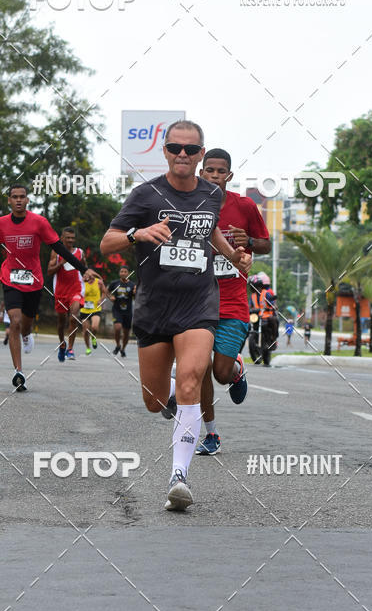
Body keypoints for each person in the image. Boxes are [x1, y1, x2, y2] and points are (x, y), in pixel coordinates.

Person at [100, 120, 251, 511]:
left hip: (199, 305)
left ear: (201, 155)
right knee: (154, 400)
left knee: (190, 381)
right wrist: (139, 234)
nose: (182, 154)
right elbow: (107, 243)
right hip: (153, 308)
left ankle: (178, 477)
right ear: (165, 152)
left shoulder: (210, 194)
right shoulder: (145, 195)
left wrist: (233, 256)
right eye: (174, 148)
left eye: (190, 149)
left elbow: (210, 232)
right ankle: (169, 401)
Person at [0, 184, 89, 390]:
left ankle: (27, 336)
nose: (19, 200)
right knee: (15, 322)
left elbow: (59, 248)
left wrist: (83, 269)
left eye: (22, 197)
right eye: (14, 197)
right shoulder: (1, 224)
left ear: (27, 200)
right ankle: (19, 371)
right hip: (10, 278)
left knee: (26, 326)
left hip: (34, 281)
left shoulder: (39, 222)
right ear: (9, 201)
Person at [195, 148, 270, 455]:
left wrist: (248, 242)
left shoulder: (245, 206)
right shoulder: (192, 206)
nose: (214, 175)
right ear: (201, 173)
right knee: (199, 369)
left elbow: (265, 244)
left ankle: (236, 369)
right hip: (197, 302)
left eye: (220, 171)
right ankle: (211, 434)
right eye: (209, 170)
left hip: (233, 303)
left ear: (229, 175)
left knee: (220, 373)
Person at [47, 226, 87, 362]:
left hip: (76, 290)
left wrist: (87, 275)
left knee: (73, 318)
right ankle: (62, 344)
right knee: (61, 322)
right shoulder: (56, 253)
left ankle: (70, 348)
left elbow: (84, 268)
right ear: (62, 238)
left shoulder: (80, 252)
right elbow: (49, 271)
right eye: (68, 238)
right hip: (60, 291)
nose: (70, 240)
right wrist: (61, 263)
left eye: (72, 238)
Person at [249, 272, 278, 366]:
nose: (252, 288)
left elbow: (273, 302)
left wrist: (273, 306)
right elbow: (250, 306)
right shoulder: (252, 296)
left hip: (266, 316)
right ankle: (254, 349)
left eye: (254, 286)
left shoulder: (266, 294)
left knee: (274, 320)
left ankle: (273, 339)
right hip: (257, 317)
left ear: (259, 286)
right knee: (249, 326)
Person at [107, 265, 136, 357]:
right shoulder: (115, 283)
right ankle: (118, 345)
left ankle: (123, 348)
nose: (123, 273)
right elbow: (106, 291)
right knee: (118, 327)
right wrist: (110, 296)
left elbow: (136, 297)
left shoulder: (132, 285)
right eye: (121, 271)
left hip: (127, 311)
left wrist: (135, 293)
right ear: (119, 273)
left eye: (125, 272)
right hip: (117, 310)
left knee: (126, 332)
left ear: (128, 273)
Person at [80, 269, 107, 355]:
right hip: (84, 309)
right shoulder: (82, 283)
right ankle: (88, 347)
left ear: (93, 275)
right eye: (85, 274)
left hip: (96, 309)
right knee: (86, 330)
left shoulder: (98, 282)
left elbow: (104, 292)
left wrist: (101, 300)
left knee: (94, 327)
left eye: (89, 274)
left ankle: (93, 337)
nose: (87, 276)